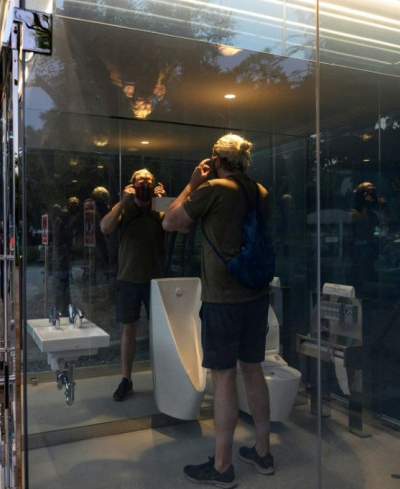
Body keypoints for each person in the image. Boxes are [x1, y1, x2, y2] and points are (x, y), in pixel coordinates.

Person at [163, 134, 274, 487]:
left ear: (215, 159)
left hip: (223, 300)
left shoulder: (213, 190)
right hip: (255, 295)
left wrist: (193, 183)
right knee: (253, 370)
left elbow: (170, 221)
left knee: (224, 377)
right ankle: (262, 451)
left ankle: (223, 466)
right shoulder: (260, 191)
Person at [100, 169, 166, 402]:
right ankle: (126, 379)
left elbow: (181, 227)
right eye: (141, 180)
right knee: (129, 330)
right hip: (128, 278)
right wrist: (123, 202)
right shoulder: (126, 208)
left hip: (155, 280)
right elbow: (106, 227)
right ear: (132, 184)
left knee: (160, 332)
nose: (146, 183)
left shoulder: (160, 208)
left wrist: (165, 203)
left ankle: (165, 378)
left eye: (149, 180)